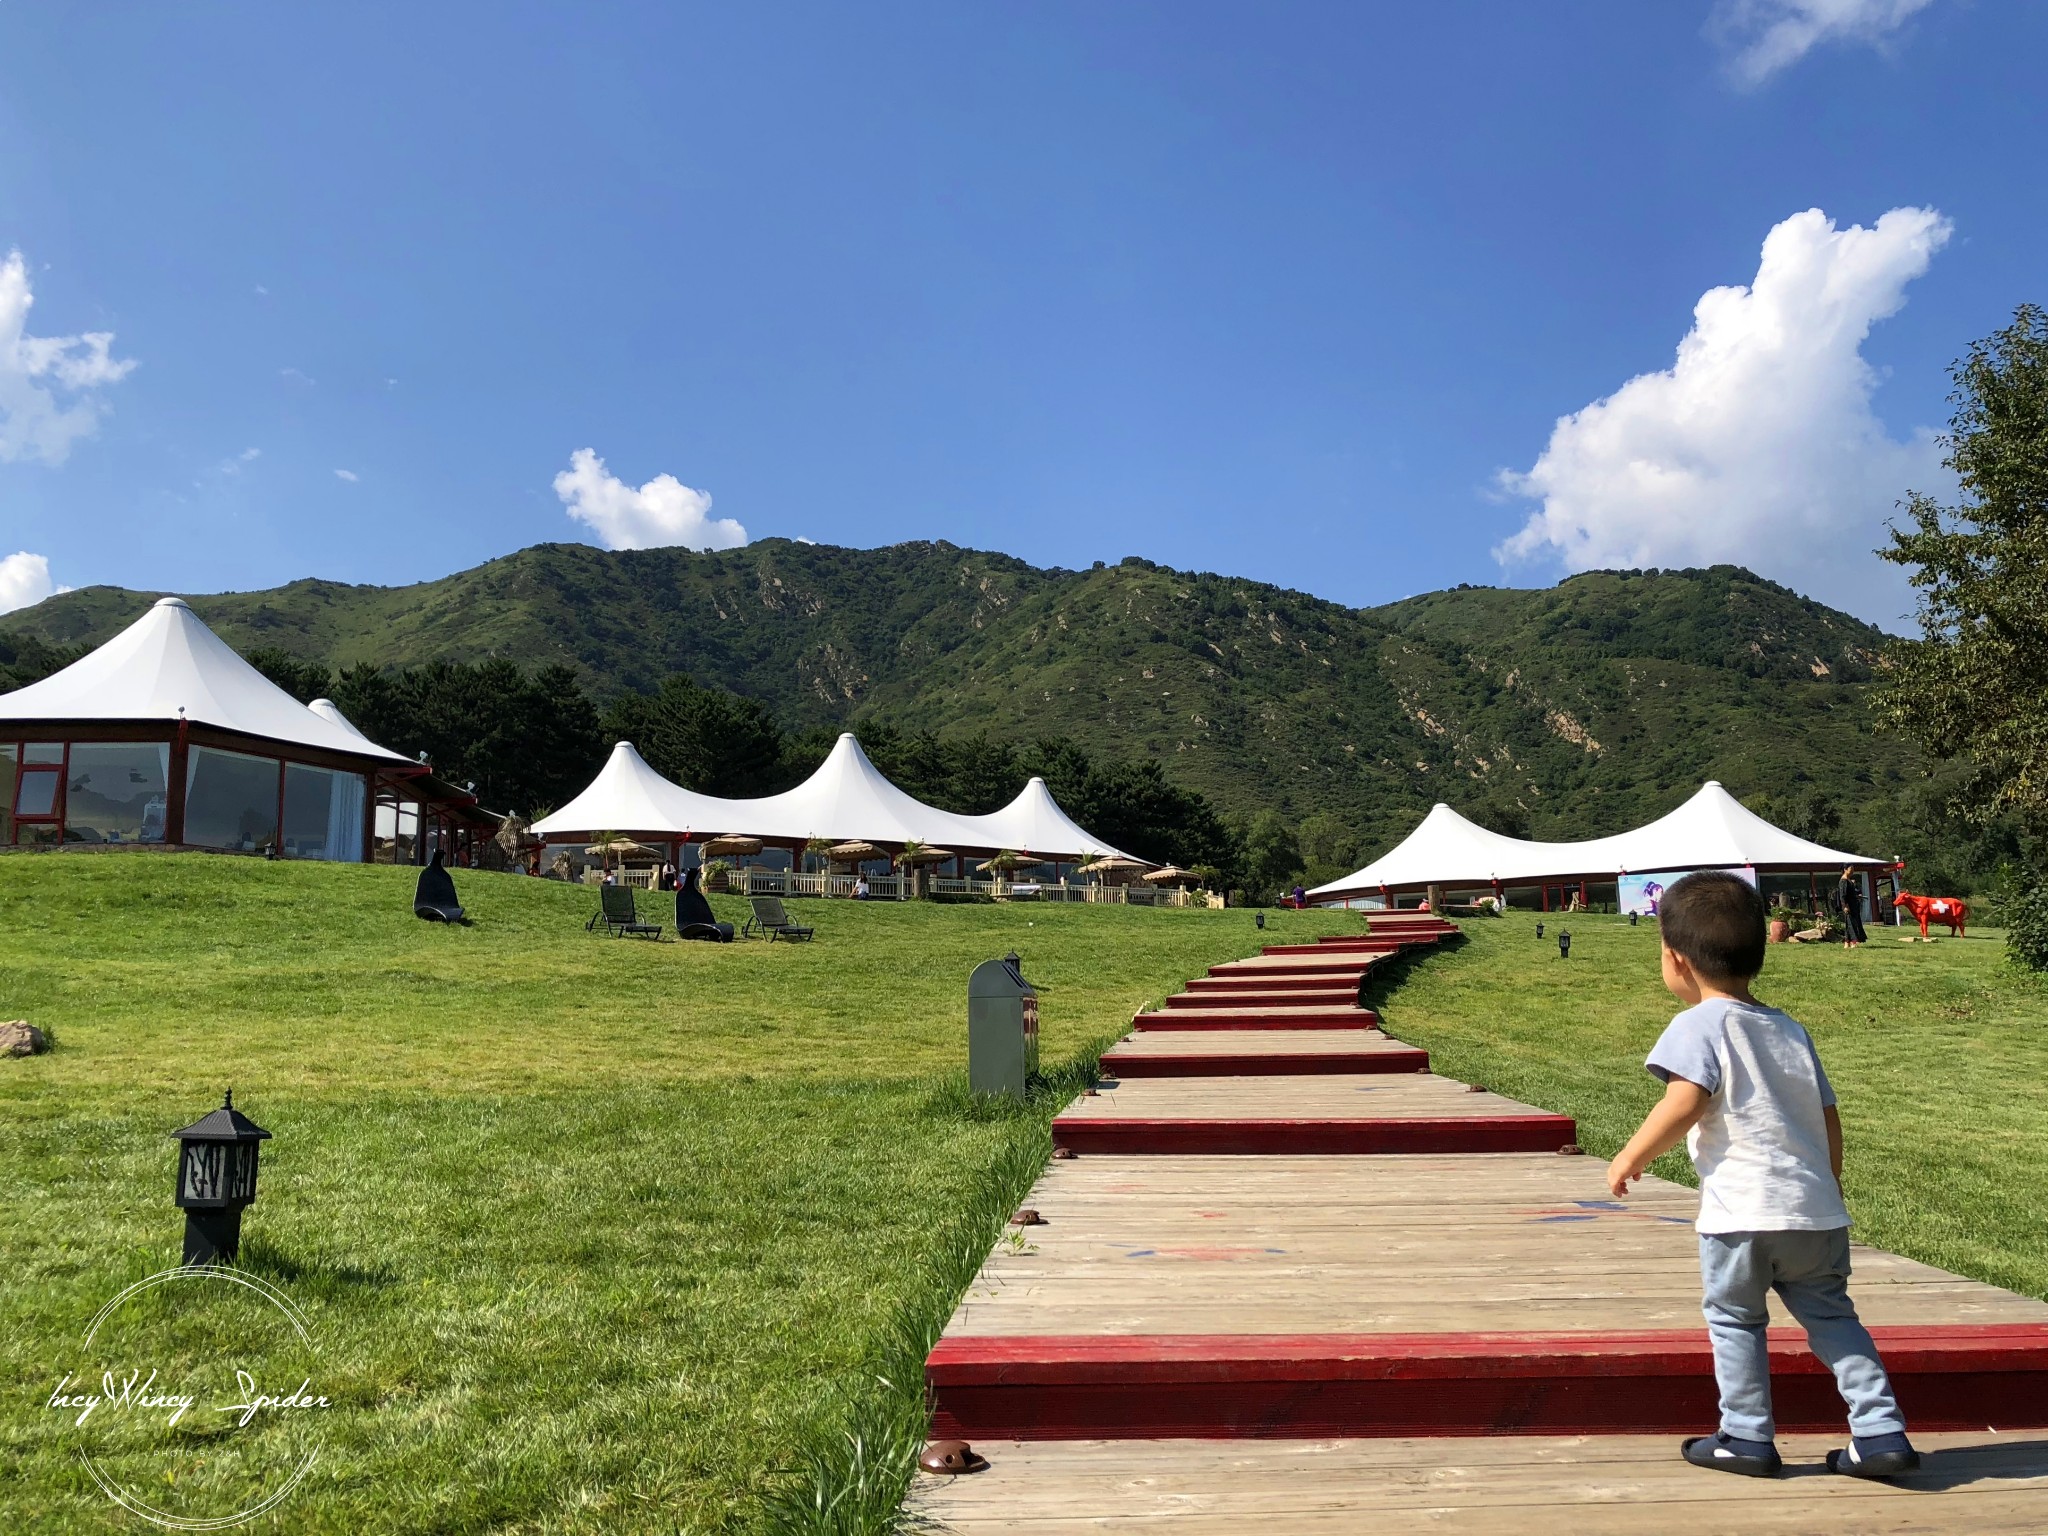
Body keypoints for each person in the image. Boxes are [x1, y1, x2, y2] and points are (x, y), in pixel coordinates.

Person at [1606, 871, 1914, 1481]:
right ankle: (1880, 1431)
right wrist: (1829, 1183)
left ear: (1675, 959)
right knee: (1833, 1317)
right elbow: (1828, 1116)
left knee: (1736, 1320)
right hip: (1815, 1213)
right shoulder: (1790, 1029)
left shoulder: (1697, 1025)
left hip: (1741, 1215)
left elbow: (1685, 1101)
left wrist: (1631, 1156)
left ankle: (1745, 1435)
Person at [1836, 867, 1868, 950]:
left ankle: (1847, 942)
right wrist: (1845, 906)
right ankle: (1853, 942)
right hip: (1848, 906)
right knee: (1851, 923)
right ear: (1845, 869)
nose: (1852, 871)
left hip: (1853, 905)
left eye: (1853, 869)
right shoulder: (1843, 881)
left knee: (1851, 923)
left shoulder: (1849, 880)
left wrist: (1857, 896)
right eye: (1851, 869)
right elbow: (1843, 895)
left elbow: (1850, 893)